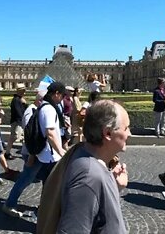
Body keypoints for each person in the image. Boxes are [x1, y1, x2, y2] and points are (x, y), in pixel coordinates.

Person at [37, 100, 131, 234]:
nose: (129, 134)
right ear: (108, 133)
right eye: (126, 128)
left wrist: (114, 186)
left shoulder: (83, 154)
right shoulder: (89, 176)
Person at [2, 82, 67, 217]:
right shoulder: (49, 109)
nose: (63, 99)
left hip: (42, 153)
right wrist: (61, 151)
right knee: (27, 179)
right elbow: (49, 132)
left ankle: (44, 208)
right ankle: (10, 204)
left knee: (47, 182)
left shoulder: (43, 106)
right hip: (44, 153)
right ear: (56, 94)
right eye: (62, 95)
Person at [5, 83, 26, 160]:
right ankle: (7, 153)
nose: (24, 92)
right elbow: (19, 112)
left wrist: (24, 103)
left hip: (17, 121)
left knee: (15, 137)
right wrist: (23, 121)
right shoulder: (16, 100)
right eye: (23, 91)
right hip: (17, 122)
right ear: (19, 91)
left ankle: (7, 152)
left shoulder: (18, 99)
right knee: (16, 137)